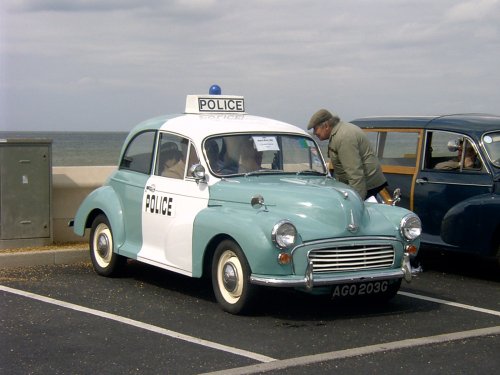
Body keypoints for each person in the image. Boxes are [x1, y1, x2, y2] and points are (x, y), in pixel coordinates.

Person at [308, 109, 387, 200]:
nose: (314, 133)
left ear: (326, 126)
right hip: (363, 183)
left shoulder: (343, 137)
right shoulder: (339, 132)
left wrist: (356, 202)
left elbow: (355, 173)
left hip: (366, 186)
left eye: (315, 129)